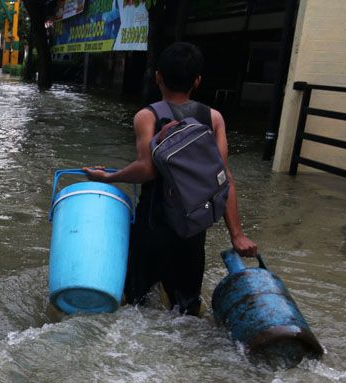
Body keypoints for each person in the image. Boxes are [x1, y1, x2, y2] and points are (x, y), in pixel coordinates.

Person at [84, 42, 257, 316]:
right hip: (192, 230)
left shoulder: (147, 116)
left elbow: (147, 169)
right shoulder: (213, 118)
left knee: (134, 306)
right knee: (186, 311)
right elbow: (223, 180)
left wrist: (109, 177)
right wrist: (237, 235)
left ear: (158, 77)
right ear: (197, 81)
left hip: (152, 226)